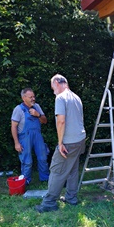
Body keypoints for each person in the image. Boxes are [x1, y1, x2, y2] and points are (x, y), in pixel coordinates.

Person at [35, 74, 86, 213]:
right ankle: (71, 198)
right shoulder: (76, 97)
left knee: (56, 170)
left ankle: (49, 202)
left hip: (69, 142)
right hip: (80, 139)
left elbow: (61, 121)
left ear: (58, 82)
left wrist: (60, 143)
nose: (53, 92)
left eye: (53, 88)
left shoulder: (61, 97)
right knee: (72, 169)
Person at [11, 88, 50, 184]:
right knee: (27, 161)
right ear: (23, 98)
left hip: (37, 136)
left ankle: (45, 179)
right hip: (25, 137)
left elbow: (44, 121)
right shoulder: (18, 109)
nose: (33, 99)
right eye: (30, 97)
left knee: (43, 157)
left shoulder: (37, 107)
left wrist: (38, 115)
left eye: (34, 96)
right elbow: (13, 127)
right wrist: (16, 143)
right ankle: (25, 181)